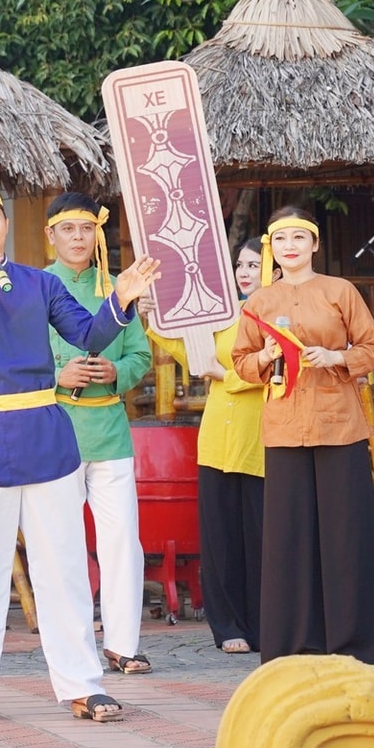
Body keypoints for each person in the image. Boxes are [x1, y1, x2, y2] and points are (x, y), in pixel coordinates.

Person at [0, 176, 159, 728]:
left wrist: (120, 298)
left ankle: (81, 683)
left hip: (48, 433)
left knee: (63, 567)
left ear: (6, 224)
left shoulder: (38, 283)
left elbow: (89, 336)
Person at [231, 204, 374, 665]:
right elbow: (241, 363)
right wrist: (265, 356)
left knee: (346, 532)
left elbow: (372, 348)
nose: (290, 248)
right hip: (284, 426)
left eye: (299, 239)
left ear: (315, 244)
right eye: (281, 240)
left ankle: (356, 639)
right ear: (272, 248)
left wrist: (337, 357)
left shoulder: (340, 291)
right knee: (288, 536)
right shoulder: (259, 302)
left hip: (338, 423)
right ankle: (293, 640)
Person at [43, 192, 154, 676]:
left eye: (86, 229)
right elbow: (15, 359)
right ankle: (74, 647)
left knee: (122, 542)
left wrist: (116, 371)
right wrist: (57, 375)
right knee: (63, 544)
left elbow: (141, 358)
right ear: (50, 235)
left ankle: (123, 644)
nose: (78, 238)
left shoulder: (117, 287)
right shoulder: (32, 286)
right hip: (56, 430)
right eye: (68, 229)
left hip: (110, 428)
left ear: (98, 234)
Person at [157, 241, 267, 654]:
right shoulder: (226, 314)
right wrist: (154, 324)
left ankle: (264, 623)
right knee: (220, 538)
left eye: (254, 264)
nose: (244, 271)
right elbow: (198, 357)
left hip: (262, 439)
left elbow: (275, 371)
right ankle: (227, 627)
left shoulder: (279, 314)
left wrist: (227, 376)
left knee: (261, 537)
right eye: (240, 264)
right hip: (218, 440)